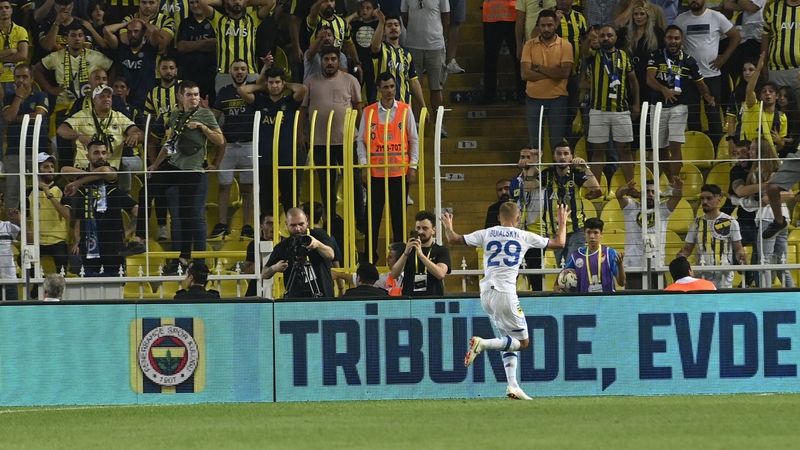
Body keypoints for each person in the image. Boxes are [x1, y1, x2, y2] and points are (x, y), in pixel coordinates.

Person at [446, 202, 568, 400]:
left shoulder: (487, 233)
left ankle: (513, 386)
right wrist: (562, 222)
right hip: (505, 293)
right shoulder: (524, 236)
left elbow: (453, 239)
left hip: (486, 294)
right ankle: (482, 344)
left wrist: (448, 225)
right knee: (523, 342)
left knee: (508, 340)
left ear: (498, 218)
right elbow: (560, 243)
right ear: (518, 218)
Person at [143, 80, 224, 275]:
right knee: (176, 215)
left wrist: (203, 128)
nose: (194, 98)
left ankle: (196, 259)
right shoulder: (174, 116)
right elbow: (170, 142)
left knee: (195, 216)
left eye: (196, 94)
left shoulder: (205, 114)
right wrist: (156, 164)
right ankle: (179, 257)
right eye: (190, 94)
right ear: (181, 96)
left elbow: (221, 140)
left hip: (196, 170)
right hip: (175, 167)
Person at [357, 71, 419, 263]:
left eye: (392, 86)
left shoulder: (405, 110)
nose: (390, 91)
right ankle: (370, 256)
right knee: (372, 219)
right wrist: (364, 166)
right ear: (378, 89)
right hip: (375, 174)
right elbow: (361, 141)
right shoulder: (369, 112)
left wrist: (413, 166)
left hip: (399, 173)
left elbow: (413, 140)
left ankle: (401, 255)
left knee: (399, 218)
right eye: (386, 87)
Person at [299, 46, 362, 223]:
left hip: (347, 140)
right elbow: (302, 110)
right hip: (320, 142)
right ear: (321, 61)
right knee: (326, 182)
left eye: (333, 59)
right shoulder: (310, 81)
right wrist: (300, 134)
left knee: (354, 180)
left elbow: (358, 107)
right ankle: (331, 217)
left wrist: (363, 135)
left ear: (338, 61)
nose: (330, 63)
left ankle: (359, 217)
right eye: (326, 59)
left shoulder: (350, 80)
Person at [646, 25, 714, 180]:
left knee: (675, 144)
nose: (673, 41)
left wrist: (707, 95)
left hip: (679, 107)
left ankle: (675, 183)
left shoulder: (689, 60)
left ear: (682, 40)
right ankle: (670, 181)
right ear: (665, 39)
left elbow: (700, 82)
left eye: (676, 38)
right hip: (657, 107)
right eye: (670, 38)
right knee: (660, 147)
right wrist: (664, 90)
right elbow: (649, 79)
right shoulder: (656, 56)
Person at [238, 65, 306, 215]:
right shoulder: (261, 101)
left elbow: (302, 89)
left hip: (286, 158)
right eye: (271, 83)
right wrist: (261, 86)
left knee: (290, 199)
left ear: (283, 83)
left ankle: (293, 233)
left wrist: (285, 85)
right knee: (266, 200)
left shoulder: (289, 102)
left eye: (277, 82)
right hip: (265, 159)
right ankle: (267, 234)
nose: (274, 86)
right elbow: (242, 90)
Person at [673, 0, 740, 146]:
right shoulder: (681, 19)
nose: (694, 1)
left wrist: (724, 57)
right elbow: (673, 40)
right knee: (692, 114)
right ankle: (696, 150)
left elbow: (735, 36)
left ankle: (716, 151)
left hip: (712, 75)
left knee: (714, 114)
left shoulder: (716, 16)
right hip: (689, 77)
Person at [68, 141, 139, 276]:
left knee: (114, 286)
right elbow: (64, 170)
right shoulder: (83, 188)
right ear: (87, 156)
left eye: (103, 153)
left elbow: (105, 171)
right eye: (96, 153)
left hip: (112, 243)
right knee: (90, 287)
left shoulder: (112, 178)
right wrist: (77, 240)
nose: (101, 156)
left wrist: (128, 231)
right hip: (89, 243)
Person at [581, 25, 640, 184]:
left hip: (621, 110)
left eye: (609, 35)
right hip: (598, 110)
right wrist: (589, 38)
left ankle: (631, 185)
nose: (606, 38)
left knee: (625, 149)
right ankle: (595, 188)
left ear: (615, 37)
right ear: (598, 38)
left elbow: (633, 81)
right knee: (598, 151)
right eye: (602, 36)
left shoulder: (623, 56)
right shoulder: (594, 55)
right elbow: (584, 50)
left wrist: (636, 103)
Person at [34, 22, 112, 134]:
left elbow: (113, 67)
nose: (77, 39)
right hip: (64, 106)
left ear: (84, 38)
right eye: (73, 35)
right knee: (63, 144)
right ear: (66, 39)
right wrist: (51, 89)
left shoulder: (95, 56)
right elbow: (36, 70)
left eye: (80, 35)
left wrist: (107, 86)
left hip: (89, 107)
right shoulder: (56, 56)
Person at [210, 60, 257, 239]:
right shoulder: (224, 91)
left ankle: (247, 225)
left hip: (249, 144)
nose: (239, 72)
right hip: (227, 146)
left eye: (243, 69)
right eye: (236, 69)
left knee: (248, 188)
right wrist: (205, 111)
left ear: (247, 72)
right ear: (230, 71)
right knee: (224, 187)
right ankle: (222, 224)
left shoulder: (254, 89)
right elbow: (215, 116)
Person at [57, 84, 143, 174]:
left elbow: (139, 133)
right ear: (94, 101)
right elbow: (61, 129)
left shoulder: (119, 117)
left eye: (109, 96)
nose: (106, 99)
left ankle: (85, 179)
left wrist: (135, 134)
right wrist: (78, 134)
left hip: (110, 169)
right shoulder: (83, 115)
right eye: (102, 96)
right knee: (64, 170)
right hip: (84, 167)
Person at [615, 176, 683, 289]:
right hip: (633, 266)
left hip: (656, 266)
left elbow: (677, 197)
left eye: (653, 192)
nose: (650, 194)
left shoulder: (663, 210)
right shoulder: (631, 208)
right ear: (640, 194)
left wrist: (679, 188)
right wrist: (625, 188)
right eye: (646, 191)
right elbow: (619, 195)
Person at [540, 141, 601, 265]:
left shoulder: (576, 174)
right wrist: (531, 166)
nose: (562, 157)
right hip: (555, 230)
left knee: (570, 264)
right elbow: (528, 187)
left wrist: (585, 167)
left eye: (566, 153)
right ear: (554, 156)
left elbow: (595, 187)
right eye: (559, 154)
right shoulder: (547, 174)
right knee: (562, 266)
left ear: (571, 156)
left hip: (576, 229)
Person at [521, 9, 573, 151]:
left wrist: (537, 68)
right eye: (543, 25)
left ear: (556, 24)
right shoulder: (529, 45)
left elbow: (564, 73)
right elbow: (525, 74)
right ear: (538, 26)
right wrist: (551, 73)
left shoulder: (566, 46)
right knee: (534, 145)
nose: (546, 29)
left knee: (557, 144)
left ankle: (557, 173)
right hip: (533, 98)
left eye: (549, 25)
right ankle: (536, 173)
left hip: (558, 98)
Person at [678, 184, 747, 289]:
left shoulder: (730, 222)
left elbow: (738, 248)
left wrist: (742, 257)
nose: (705, 202)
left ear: (719, 199)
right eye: (702, 198)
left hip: (724, 275)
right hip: (702, 274)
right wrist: (682, 256)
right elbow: (688, 248)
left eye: (709, 198)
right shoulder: (696, 223)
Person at [2, 64, 50, 213]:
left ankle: (40, 226)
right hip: (14, 152)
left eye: (25, 77)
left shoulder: (41, 96)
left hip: (37, 151)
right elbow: (8, 117)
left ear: (32, 79)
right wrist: (19, 97)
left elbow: (39, 116)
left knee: (40, 190)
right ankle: (14, 229)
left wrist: (17, 118)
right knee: (12, 192)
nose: (21, 80)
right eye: (18, 77)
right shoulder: (9, 98)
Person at [197, 0, 274, 92]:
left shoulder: (252, 19)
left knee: (253, 105)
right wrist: (224, 2)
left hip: (250, 72)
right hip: (225, 73)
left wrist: (246, 2)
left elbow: (271, 2)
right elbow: (202, 2)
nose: (237, 1)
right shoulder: (218, 20)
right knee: (224, 105)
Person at [261, 207, 336, 298]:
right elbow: (264, 274)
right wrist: (275, 268)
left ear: (307, 221)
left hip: (323, 294)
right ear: (286, 224)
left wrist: (317, 244)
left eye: (301, 224)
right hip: (295, 298)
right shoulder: (284, 245)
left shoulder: (319, 235)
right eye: (293, 225)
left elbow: (331, 255)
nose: (298, 229)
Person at [401, 0, 449, 135]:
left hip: (435, 46)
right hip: (413, 46)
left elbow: (446, 16)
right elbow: (404, 17)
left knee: (436, 87)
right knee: (415, 87)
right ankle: (416, 124)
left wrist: (441, 37)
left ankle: (438, 124)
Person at [27, 153, 72, 277]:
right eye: (45, 167)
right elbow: (23, 218)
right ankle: (39, 283)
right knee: (22, 258)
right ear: (37, 169)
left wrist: (49, 195)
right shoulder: (29, 192)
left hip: (58, 240)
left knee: (61, 260)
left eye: (52, 166)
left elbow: (66, 214)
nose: (50, 170)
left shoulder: (63, 189)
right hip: (37, 240)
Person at [370, 10, 426, 109]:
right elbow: (374, 46)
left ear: (400, 30)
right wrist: (381, 22)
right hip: (381, 106)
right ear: (383, 31)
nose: (393, 27)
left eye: (396, 25)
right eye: (389, 25)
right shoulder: (381, 48)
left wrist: (423, 106)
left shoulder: (407, 54)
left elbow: (413, 81)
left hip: (403, 106)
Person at [390, 210, 451, 296]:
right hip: (410, 301)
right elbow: (394, 274)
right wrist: (406, 252)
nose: (420, 232)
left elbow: (440, 274)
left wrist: (421, 255)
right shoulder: (407, 249)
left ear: (433, 230)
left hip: (433, 300)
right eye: (418, 228)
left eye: (425, 228)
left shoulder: (441, 250)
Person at [556, 217, 626, 293]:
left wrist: (620, 267)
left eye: (596, 233)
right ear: (584, 234)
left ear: (601, 234)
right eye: (589, 232)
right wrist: (556, 286)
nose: (592, 236)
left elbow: (622, 283)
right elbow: (564, 274)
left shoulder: (610, 253)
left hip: (606, 301)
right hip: (584, 301)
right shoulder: (577, 255)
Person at [509, 148, 545, 290]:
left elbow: (528, 187)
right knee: (514, 270)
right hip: (517, 231)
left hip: (536, 230)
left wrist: (534, 165)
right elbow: (512, 204)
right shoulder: (515, 181)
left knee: (535, 271)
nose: (524, 160)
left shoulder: (542, 177)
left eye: (528, 157)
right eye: (522, 156)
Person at [103, 18, 158, 110]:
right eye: (129, 31)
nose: (132, 34)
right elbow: (107, 30)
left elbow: (155, 31)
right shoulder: (121, 49)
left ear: (143, 32)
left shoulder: (149, 50)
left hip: (144, 102)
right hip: (122, 102)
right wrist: (127, 24)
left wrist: (143, 22)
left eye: (136, 31)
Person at [739, 53, 787, 152]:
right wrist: (758, 69)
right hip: (749, 154)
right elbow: (749, 91)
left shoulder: (782, 118)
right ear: (760, 96)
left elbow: (781, 146)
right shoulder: (754, 107)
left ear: (777, 96)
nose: (767, 94)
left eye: (771, 91)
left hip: (767, 158)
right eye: (764, 91)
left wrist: (779, 141)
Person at [481, 0, 524, 104]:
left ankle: (522, 94)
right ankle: (489, 95)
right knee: (490, 59)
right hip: (491, 16)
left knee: (518, 57)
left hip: (512, 15)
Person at [175, 0, 217, 103]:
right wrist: (205, 42)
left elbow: (215, 45)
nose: (194, 5)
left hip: (210, 74)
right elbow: (181, 47)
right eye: (191, 2)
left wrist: (191, 45)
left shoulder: (215, 21)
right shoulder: (185, 23)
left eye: (197, 2)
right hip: (189, 73)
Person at [761, 0, 800, 107]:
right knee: (774, 111)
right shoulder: (774, 8)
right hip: (776, 70)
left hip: (798, 70)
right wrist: (763, 64)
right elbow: (765, 36)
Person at [0, 0, 29, 100]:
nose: (4, 10)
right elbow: (18, 54)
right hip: (0, 79)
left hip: (17, 79)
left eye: (7, 7)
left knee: (17, 112)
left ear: (11, 10)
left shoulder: (20, 30)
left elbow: (23, 55)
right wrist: (11, 51)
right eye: (0, 8)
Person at [244, 212, 274, 297]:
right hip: (258, 284)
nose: (273, 227)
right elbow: (247, 272)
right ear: (261, 226)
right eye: (269, 223)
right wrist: (260, 258)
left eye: (276, 223)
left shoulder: (284, 242)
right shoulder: (254, 244)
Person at [0, 204, 20, 300]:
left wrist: (18, 220)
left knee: (12, 314)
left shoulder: (7, 226)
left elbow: (30, 240)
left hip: (8, 280)